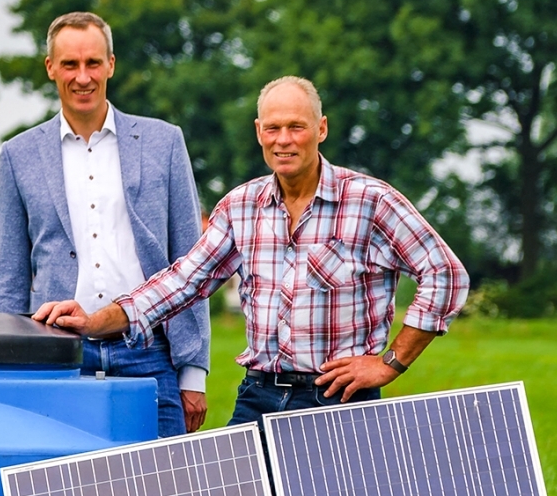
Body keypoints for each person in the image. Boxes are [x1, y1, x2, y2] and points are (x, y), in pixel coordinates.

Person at [36, 76, 470, 424]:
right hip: (259, 396)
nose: (284, 140)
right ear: (259, 132)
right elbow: (181, 283)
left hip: (338, 401)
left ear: (321, 129)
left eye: (296, 127)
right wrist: (96, 321)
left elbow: (446, 274)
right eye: (273, 128)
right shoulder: (242, 207)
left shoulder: (370, 201)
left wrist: (390, 363)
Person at [0, 11, 212, 435]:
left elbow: (191, 262)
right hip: (57, 357)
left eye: (93, 63)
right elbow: (9, 277)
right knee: (60, 495)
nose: (83, 77)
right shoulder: (18, 156)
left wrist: (193, 373)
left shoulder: (164, 143)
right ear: (50, 68)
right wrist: (10, 365)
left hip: (149, 355)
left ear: (111, 64)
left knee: (163, 492)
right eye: (70, 64)